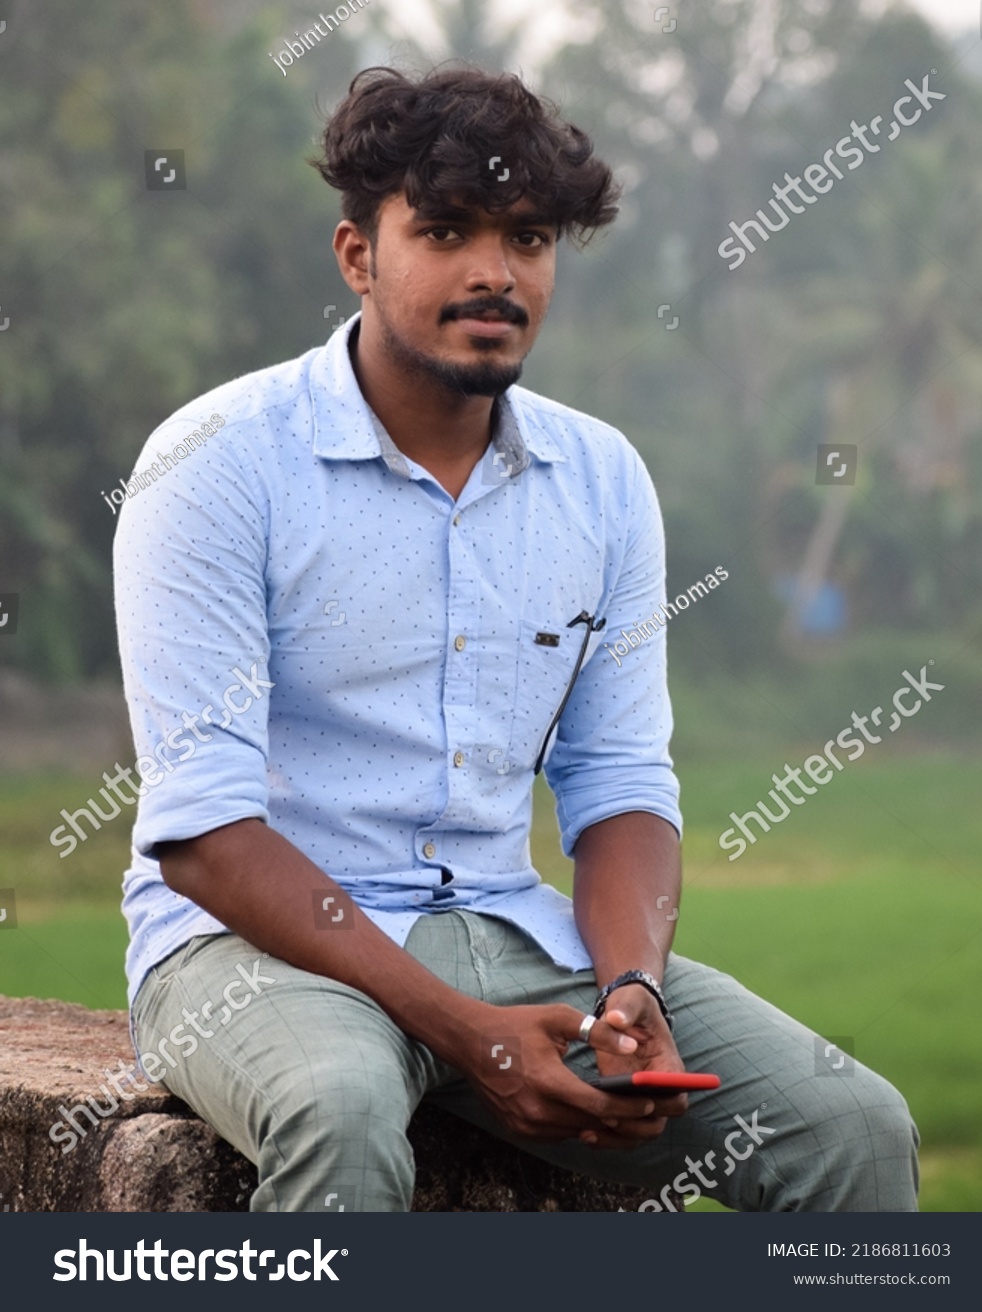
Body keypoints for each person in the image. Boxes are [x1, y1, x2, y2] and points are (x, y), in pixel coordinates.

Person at [114, 64, 919, 1213]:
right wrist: (470, 1036)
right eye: (445, 231)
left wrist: (631, 981)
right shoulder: (219, 464)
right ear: (357, 254)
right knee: (339, 1114)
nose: (495, 271)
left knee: (853, 1128)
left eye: (528, 236)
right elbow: (202, 833)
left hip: (507, 927)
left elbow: (619, 779)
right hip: (253, 955)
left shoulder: (599, 480)